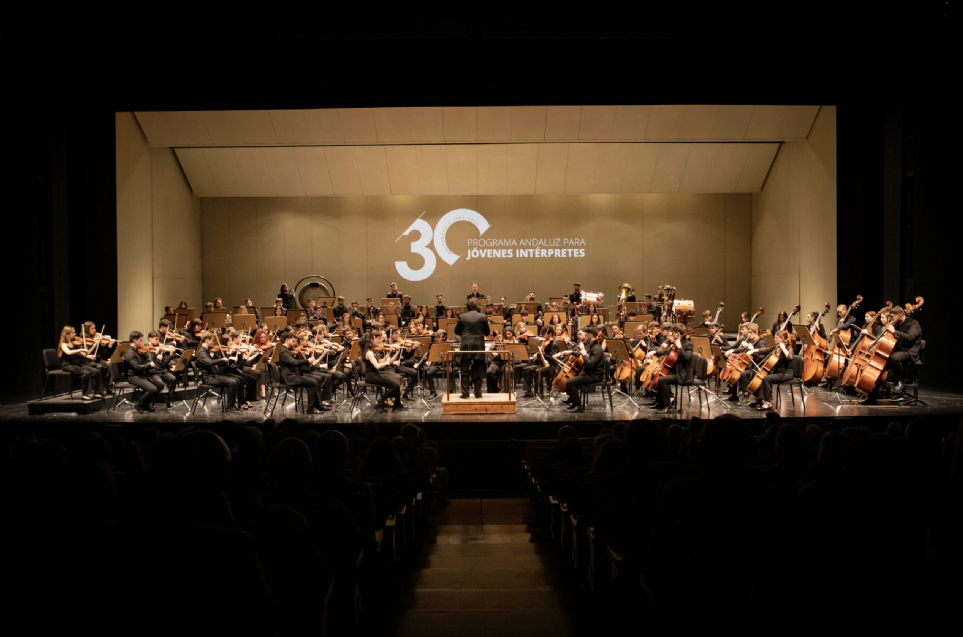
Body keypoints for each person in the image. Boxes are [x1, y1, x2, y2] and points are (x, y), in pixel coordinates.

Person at [862, 306, 921, 405]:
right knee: (879, 367)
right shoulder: (897, 324)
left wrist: (894, 331)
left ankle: (901, 380)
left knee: (894, 357)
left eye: (893, 317)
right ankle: (871, 397)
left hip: (910, 351)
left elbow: (910, 337)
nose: (892, 319)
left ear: (900, 315)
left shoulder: (914, 323)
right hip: (897, 351)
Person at [643, 323, 693, 412]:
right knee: (657, 374)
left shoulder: (688, 344)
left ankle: (668, 405)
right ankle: (660, 402)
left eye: (673, 333)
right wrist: (654, 352)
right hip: (674, 371)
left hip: (682, 374)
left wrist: (680, 348)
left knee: (662, 380)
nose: (672, 335)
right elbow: (666, 351)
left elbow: (687, 358)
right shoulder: (676, 343)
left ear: (678, 333)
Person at [745, 329, 795, 411]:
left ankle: (767, 402)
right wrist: (754, 350)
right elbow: (767, 350)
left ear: (782, 338)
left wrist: (783, 348)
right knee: (758, 374)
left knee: (766, 378)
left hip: (786, 373)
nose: (774, 339)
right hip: (777, 372)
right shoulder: (776, 347)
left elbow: (790, 357)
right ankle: (759, 398)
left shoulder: (789, 347)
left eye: (776, 338)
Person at [277, 333, 327, 414]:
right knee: (314, 383)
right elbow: (294, 362)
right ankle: (310, 409)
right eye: (293, 341)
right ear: (287, 340)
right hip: (291, 378)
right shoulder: (283, 351)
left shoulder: (286, 350)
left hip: (295, 375)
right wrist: (307, 361)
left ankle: (318, 405)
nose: (294, 344)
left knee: (316, 380)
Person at [560, 326, 605, 412]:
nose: (584, 337)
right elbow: (581, 355)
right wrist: (571, 352)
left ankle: (578, 405)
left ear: (590, 335)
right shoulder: (592, 346)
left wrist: (584, 353)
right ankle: (573, 401)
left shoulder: (597, 348)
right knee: (571, 377)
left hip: (595, 375)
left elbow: (590, 364)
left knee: (570, 382)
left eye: (586, 335)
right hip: (590, 373)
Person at [57, 325, 106, 400]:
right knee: (85, 373)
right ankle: (85, 394)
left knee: (96, 371)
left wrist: (88, 355)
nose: (75, 334)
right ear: (67, 334)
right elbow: (69, 352)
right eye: (73, 333)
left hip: (78, 364)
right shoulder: (63, 344)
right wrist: (80, 350)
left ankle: (97, 392)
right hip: (68, 365)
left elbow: (83, 354)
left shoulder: (74, 343)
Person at [454, 299, 490, 398]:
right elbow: (487, 332)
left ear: (467, 307)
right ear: (477, 306)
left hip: (466, 345)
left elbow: (456, 331)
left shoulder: (462, 316)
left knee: (465, 370)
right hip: (479, 345)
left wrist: (465, 334)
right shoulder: (483, 316)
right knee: (478, 370)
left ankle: (465, 393)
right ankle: (478, 393)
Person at [124, 331, 167, 412]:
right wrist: (149, 365)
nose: (142, 342)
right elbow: (137, 368)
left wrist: (155, 359)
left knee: (160, 385)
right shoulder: (130, 353)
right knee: (153, 389)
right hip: (134, 376)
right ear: (134, 340)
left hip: (144, 374)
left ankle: (146, 404)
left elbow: (149, 362)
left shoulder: (139, 350)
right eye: (140, 340)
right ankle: (139, 404)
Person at [361, 331, 404, 410]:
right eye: (378, 339)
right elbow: (377, 366)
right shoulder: (369, 353)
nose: (380, 340)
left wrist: (391, 352)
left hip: (375, 375)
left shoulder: (374, 351)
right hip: (371, 376)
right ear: (371, 340)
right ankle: (381, 401)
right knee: (395, 386)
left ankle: (397, 403)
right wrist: (387, 363)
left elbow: (381, 361)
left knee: (396, 386)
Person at [422, 329, 450, 397]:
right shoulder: (433, 344)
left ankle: (451, 391)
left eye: (439, 337)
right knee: (428, 373)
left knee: (451, 372)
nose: (437, 339)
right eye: (436, 337)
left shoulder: (448, 344)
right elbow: (430, 355)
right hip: (436, 365)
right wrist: (428, 361)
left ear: (444, 337)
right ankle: (433, 392)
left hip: (446, 364)